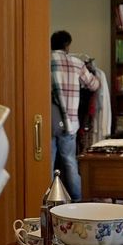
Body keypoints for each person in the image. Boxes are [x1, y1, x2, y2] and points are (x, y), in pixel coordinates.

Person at [50, 29, 100, 200]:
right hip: (70, 122)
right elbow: (94, 85)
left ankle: (49, 201)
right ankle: (78, 198)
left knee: (48, 164)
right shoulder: (76, 63)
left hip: (49, 121)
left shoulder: (45, 60)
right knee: (70, 162)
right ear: (67, 45)